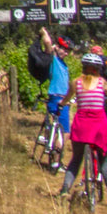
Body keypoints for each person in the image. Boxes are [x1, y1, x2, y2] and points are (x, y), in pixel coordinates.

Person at [57, 51, 107, 208]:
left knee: (76, 159)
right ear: (98, 69)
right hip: (98, 126)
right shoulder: (102, 83)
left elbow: (66, 99)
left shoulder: (76, 83)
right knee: (105, 161)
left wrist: (61, 105)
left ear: (83, 68)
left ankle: (64, 189)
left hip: (82, 126)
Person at [39, 27, 73, 169]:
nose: (65, 52)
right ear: (57, 47)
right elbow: (47, 44)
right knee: (65, 132)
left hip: (63, 97)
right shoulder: (53, 59)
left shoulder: (64, 65)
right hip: (57, 97)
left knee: (57, 128)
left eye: (68, 51)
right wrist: (44, 32)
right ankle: (56, 161)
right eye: (63, 49)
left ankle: (51, 148)